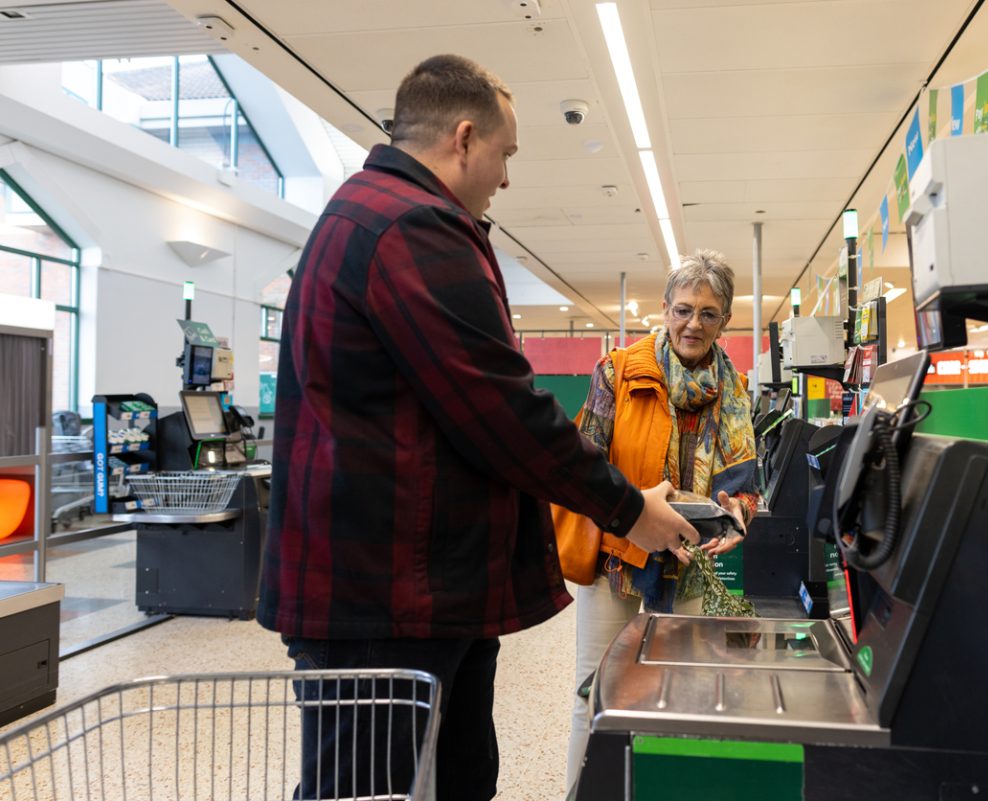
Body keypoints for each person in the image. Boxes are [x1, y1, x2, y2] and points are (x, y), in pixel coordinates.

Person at [256, 54, 698, 801]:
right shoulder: (410, 228)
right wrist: (627, 509)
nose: (505, 176)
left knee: (454, 780)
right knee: (369, 792)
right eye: (505, 155)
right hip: (384, 602)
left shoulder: (375, 215)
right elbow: (502, 408)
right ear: (464, 138)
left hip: (410, 591)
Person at [553, 249, 760, 786]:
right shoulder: (617, 372)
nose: (694, 323)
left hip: (690, 558)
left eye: (708, 313)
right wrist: (633, 507)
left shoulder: (732, 391)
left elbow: (741, 479)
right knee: (595, 691)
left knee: (686, 691)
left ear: (726, 321)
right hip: (617, 555)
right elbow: (585, 460)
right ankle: (583, 794)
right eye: (684, 309)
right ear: (665, 309)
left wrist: (738, 519)